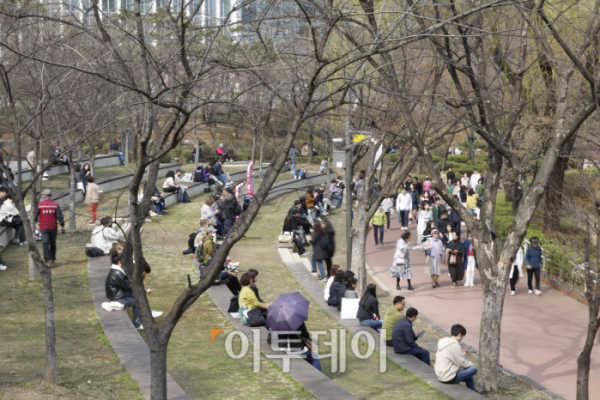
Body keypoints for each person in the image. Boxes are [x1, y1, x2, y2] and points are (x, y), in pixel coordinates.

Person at [105, 251, 142, 329]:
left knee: (137, 298)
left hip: (117, 294)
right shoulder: (117, 273)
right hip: (117, 297)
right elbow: (128, 286)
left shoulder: (115, 271)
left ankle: (140, 321)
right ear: (120, 262)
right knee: (137, 303)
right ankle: (137, 324)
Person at [434, 324, 477, 391]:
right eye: (462, 337)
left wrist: (461, 354)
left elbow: (451, 357)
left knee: (469, 375)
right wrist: (471, 364)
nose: (462, 339)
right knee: (473, 369)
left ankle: (473, 392)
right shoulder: (455, 345)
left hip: (440, 375)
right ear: (459, 334)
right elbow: (461, 363)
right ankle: (473, 391)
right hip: (448, 377)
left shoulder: (444, 342)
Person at [36, 189, 65, 266]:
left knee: (45, 243)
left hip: (43, 227)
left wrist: (35, 223)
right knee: (52, 243)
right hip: (53, 227)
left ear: (44, 196)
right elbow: (60, 216)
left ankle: (47, 261)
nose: (42, 196)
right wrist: (62, 226)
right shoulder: (55, 205)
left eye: (42, 195)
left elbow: (35, 216)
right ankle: (52, 258)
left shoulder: (39, 205)